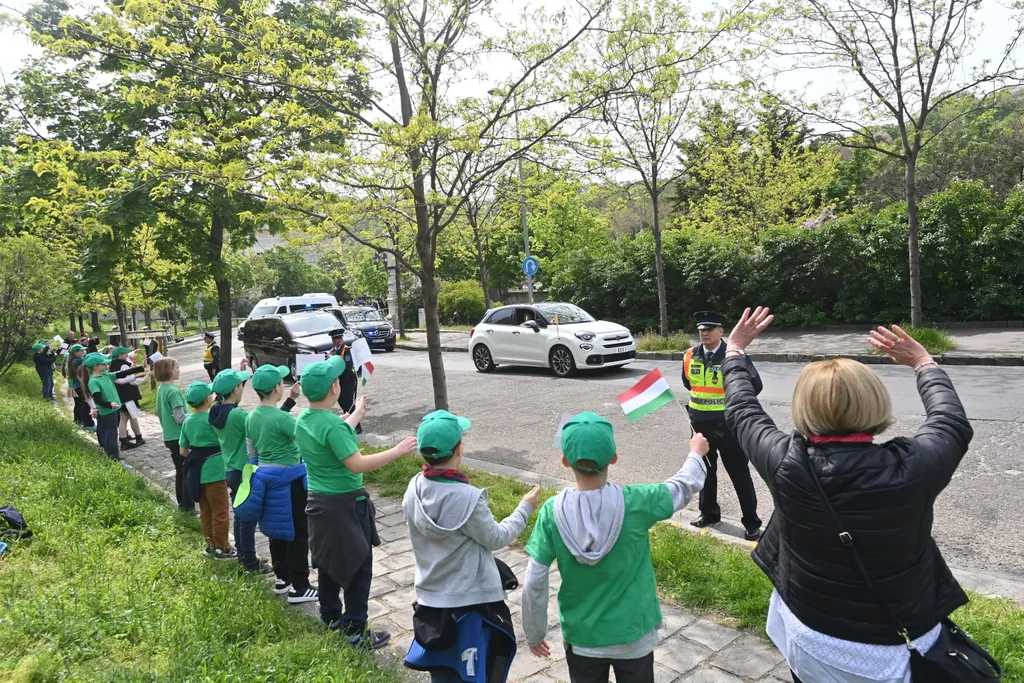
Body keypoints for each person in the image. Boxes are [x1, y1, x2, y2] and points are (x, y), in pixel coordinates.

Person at [721, 308, 975, 683]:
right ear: (875, 399)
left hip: (809, 636)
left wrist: (735, 351)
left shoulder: (784, 463)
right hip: (893, 647)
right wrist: (923, 362)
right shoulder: (915, 467)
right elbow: (950, 420)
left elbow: (742, 408)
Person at [522, 413, 708, 683]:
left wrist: (535, 632)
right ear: (614, 457)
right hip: (634, 635)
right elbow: (682, 487)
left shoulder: (552, 513)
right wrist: (696, 453)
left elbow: (534, 580)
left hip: (583, 639)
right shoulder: (636, 503)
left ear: (565, 461)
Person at [403, 410, 540, 682]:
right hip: (471, 605)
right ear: (459, 449)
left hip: (431, 602)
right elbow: (497, 537)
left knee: (443, 669)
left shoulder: (414, 488)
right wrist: (525, 508)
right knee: (477, 672)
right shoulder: (467, 498)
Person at [297, 355, 417, 648]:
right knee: (358, 566)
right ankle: (355, 630)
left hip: (318, 503)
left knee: (326, 562)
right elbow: (357, 464)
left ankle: (331, 618)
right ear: (335, 388)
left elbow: (334, 434)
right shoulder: (334, 427)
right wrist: (397, 450)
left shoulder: (303, 419)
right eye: (336, 380)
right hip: (346, 506)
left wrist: (357, 413)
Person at [683, 310, 763, 541]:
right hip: (700, 425)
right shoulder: (690, 355)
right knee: (705, 472)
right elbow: (688, 383)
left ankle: (751, 522)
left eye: (709, 329)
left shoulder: (734, 357)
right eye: (701, 330)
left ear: (721, 331)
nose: (704, 333)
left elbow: (754, 386)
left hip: (728, 425)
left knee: (739, 474)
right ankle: (709, 513)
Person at [245, 365, 318, 604]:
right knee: (298, 532)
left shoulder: (252, 416)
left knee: (276, 530)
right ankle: (300, 587)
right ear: (277, 387)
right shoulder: (281, 418)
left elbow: (251, 448)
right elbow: (304, 434)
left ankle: (282, 578)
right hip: (291, 480)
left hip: (267, 477)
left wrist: (291, 400)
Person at [209, 361, 272, 573]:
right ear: (236, 389)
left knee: (240, 514)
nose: (243, 387)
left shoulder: (216, 412)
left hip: (230, 470)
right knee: (247, 519)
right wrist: (289, 401)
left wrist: (244, 371)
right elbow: (262, 422)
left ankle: (244, 556)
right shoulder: (237, 415)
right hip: (245, 471)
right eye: (241, 384)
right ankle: (250, 563)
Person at [179, 381, 236, 560]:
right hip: (215, 471)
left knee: (206, 511)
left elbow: (183, 450)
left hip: (197, 472)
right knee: (220, 510)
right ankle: (223, 547)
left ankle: (211, 545)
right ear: (207, 399)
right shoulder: (212, 418)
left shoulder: (188, 421)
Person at [81, 352, 146, 460]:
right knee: (111, 435)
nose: (106, 365)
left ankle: (109, 454)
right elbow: (98, 399)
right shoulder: (93, 381)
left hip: (113, 410)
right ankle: (114, 457)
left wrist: (138, 369)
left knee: (109, 433)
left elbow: (121, 374)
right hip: (107, 411)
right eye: (103, 364)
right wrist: (110, 404)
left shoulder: (105, 375)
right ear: (96, 366)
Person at [154, 357, 195, 515]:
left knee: (180, 470)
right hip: (180, 437)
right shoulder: (173, 391)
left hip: (169, 436)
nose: (179, 370)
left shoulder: (161, 389)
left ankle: (182, 504)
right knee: (186, 472)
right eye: (176, 367)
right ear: (168, 371)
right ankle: (188, 506)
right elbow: (179, 418)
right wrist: (195, 417)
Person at [109, 346, 146, 450]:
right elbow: (131, 380)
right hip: (128, 394)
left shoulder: (112, 365)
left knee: (123, 418)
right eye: (125, 353)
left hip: (119, 395)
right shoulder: (123, 366)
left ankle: (124, 440)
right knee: (132, 416)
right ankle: (138, 438)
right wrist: (143, 378)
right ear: (120, 355)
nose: (127, 355)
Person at [327, 332, 360, 434]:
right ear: (333, 340)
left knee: (348, 402)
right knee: (341, 401)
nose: (340, 339)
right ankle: (349, 421)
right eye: (337, 338)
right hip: (338, 381)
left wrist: (336, 370)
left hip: (347, 380)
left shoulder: (346, 350)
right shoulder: (332, 351)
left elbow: (348, 366)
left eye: (340, 337)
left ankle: (356, 426)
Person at [66, 344, 95, 432]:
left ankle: (80, 420)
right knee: (86, 404)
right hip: (80, 386)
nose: (83, 352)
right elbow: (90, 361)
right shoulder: (78, 360)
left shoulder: (73, 360)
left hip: (76, 385)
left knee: (81, 404)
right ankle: (87, 423)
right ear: (75, 352)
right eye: (81, 351)